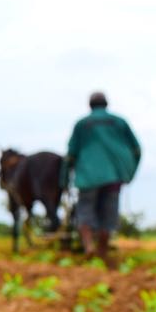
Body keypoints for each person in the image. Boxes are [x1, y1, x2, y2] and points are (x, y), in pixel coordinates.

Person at [61, 92, 141, 263]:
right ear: (106, 104)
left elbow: (71, 154)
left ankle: (89, 246)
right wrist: (129, 172)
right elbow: (136, 149)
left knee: (85, 211)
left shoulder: (82, 124)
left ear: (90, 105)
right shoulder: (119, 122)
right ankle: (102, 252)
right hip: (114, 177)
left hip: (88, 176)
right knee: (109, 214)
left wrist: (64, 178)